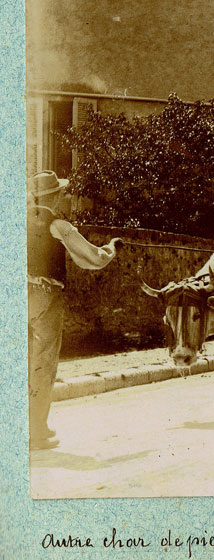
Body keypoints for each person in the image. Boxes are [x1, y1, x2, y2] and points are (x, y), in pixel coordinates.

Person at [27, 170, 120, 450]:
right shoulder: (57, 224)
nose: (63, 198)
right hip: (46, 295)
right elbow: (91, 257)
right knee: (43, 362)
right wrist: (110, 250)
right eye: (61, 194)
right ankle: (37, 431)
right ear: (54, 197)